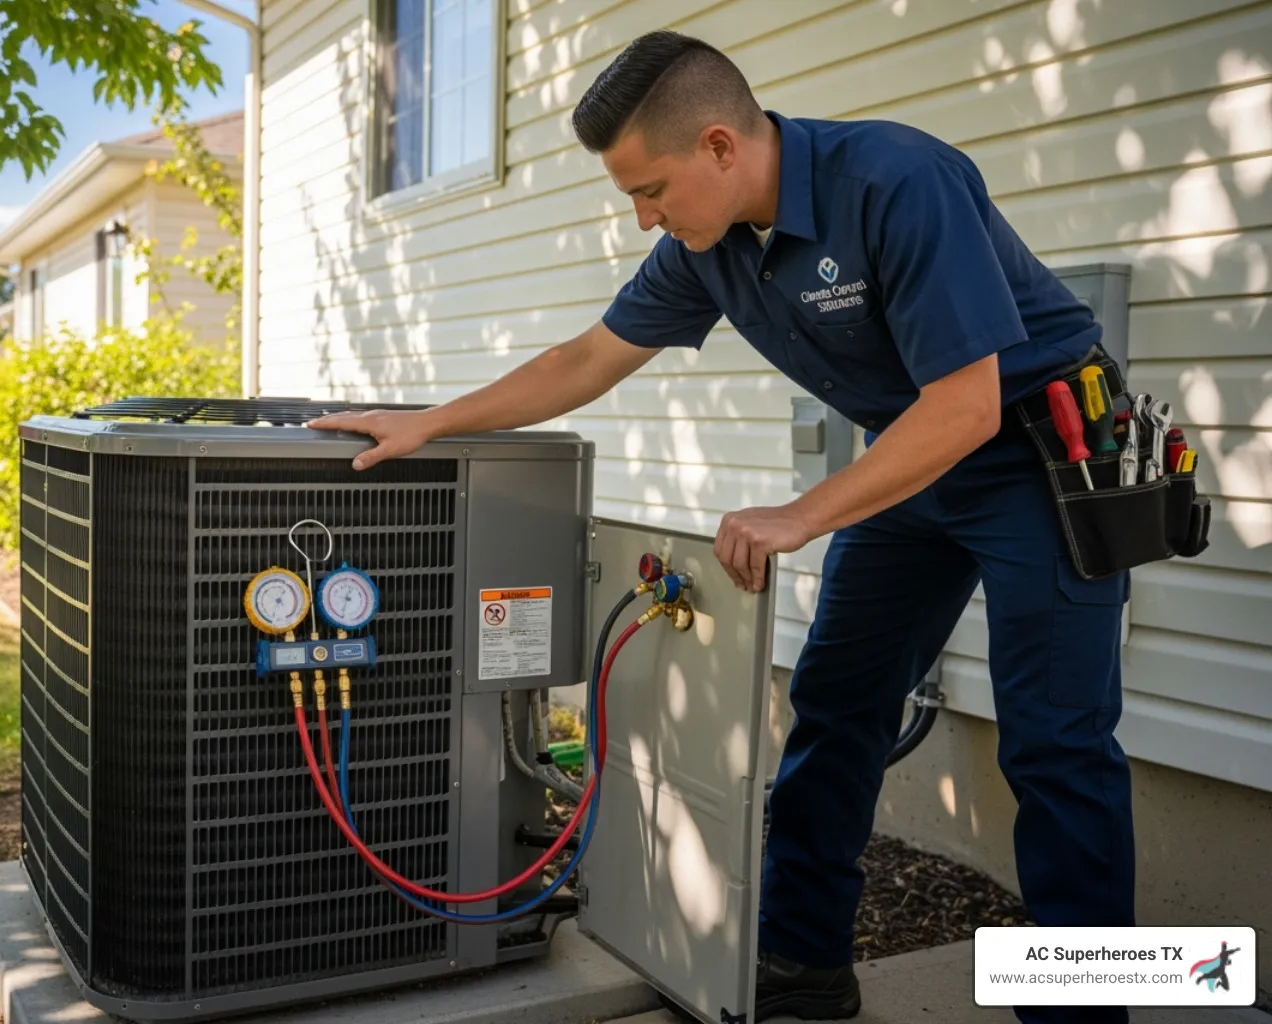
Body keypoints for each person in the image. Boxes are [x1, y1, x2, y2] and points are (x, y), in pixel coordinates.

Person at [308, 30, 1133, 1024]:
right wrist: (430, 420)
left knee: (1056, 742)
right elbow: (585, 359)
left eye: (647, 191)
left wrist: (801, 512)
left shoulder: (899, 180)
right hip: (908, 457)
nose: (643, 218)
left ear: (718, 147)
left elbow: (965, 409)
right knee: (836, 707)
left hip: (1040, 454)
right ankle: (805, 958)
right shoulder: (708, 249)